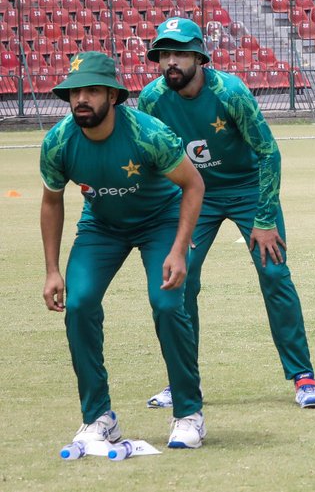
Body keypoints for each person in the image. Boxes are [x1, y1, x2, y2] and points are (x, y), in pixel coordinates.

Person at [137, 17, 315, 410]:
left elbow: (269, 153)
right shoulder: (152, 99)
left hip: (246, 188)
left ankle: (304, 377)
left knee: (274, 273)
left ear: (200, 58)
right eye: (165, 54)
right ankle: (182, 382)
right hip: (192, 194)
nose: (171, 61)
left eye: (180, 53)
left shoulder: (231, 92)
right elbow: (155, 162)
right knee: (177, 282)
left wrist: (264, 218)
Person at [40, 52, 208, 449]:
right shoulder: (58, 141)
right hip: (102, 227)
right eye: (76, 91)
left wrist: (180, 249)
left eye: (93, 91)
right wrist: (51, 269)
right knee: (79, 306)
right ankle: (99, 417)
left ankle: (189, 414)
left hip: (160, 221)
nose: (82, 98)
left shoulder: (149, 133)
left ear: (113, 96)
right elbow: (51, 201)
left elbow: (194, 184)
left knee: (167, 304)